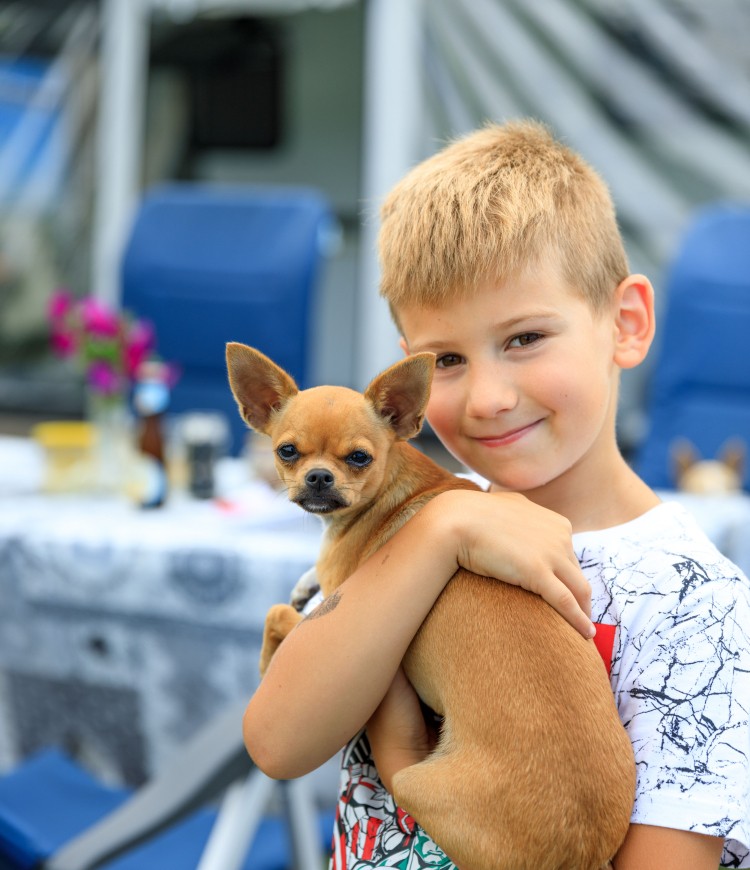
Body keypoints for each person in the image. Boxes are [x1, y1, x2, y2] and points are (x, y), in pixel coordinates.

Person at [243, 120, 750, 869]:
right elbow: (279, 742)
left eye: (524, 339)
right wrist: (445, 528)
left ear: (627, 324)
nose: (485, 397)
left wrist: (402, 761)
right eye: (445, 358)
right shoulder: (406, 525)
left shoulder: (695, 604)